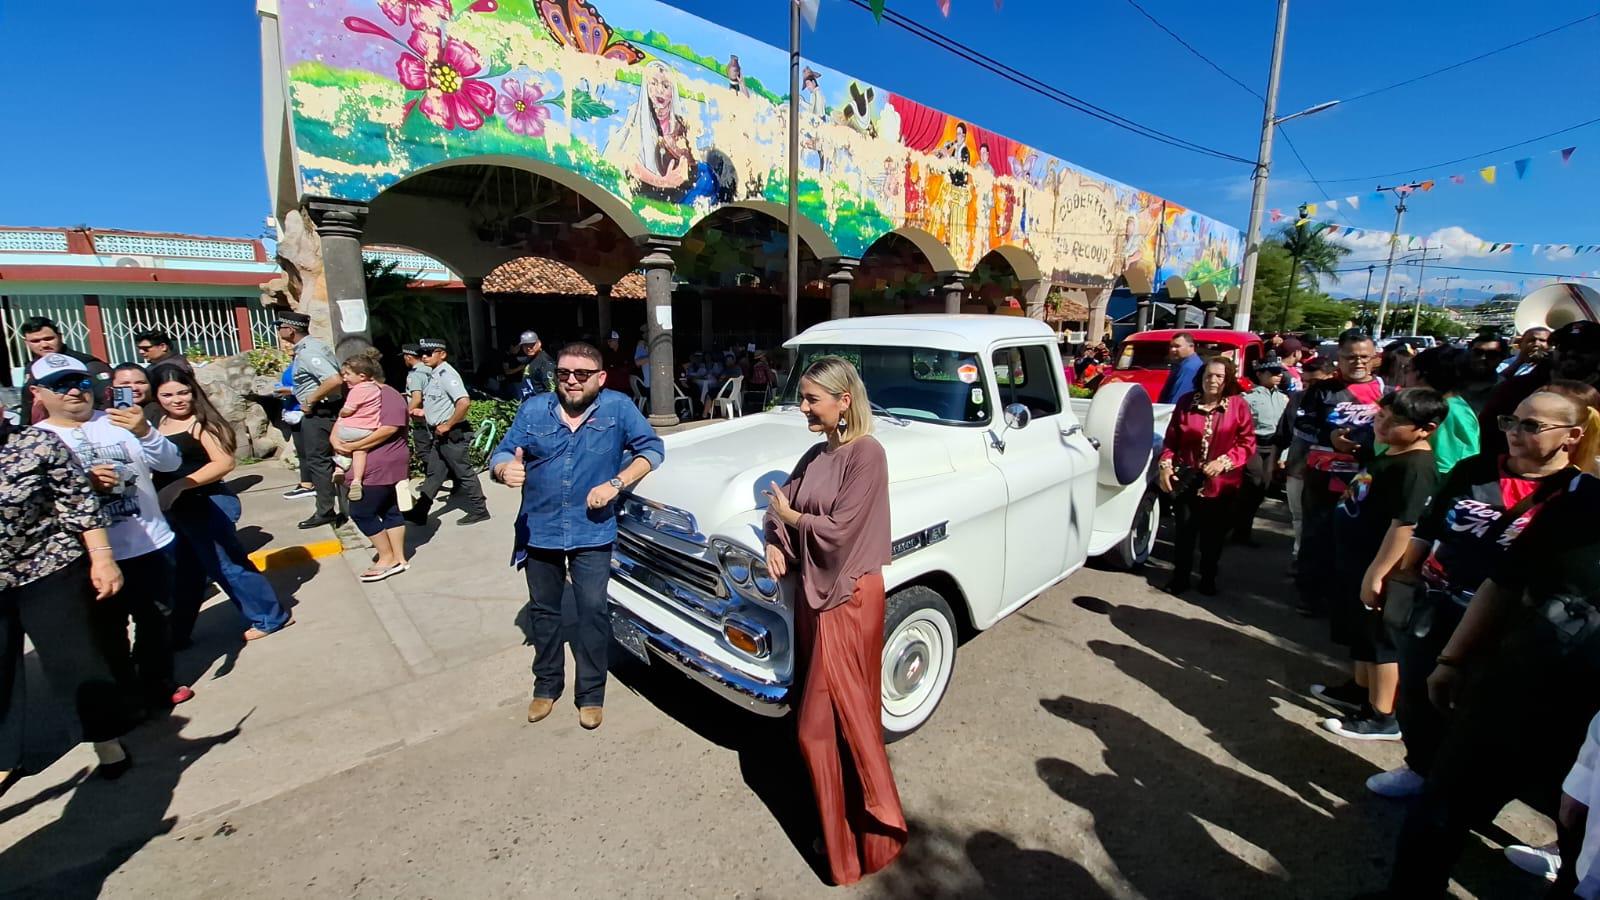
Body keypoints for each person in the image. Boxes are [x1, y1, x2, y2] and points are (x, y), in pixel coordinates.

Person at [1364, 385, 1600, 801]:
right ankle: (1419, 765)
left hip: (1509, 626)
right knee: (1418, 692)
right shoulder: (1473, 470)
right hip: (1435, 606)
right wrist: (1402, 579)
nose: (1515, 432)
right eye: (1511, 421)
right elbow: (1428, 527)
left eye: (1532, 425)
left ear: (1573, 436)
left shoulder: (1580, 496)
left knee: (1486, 715)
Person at [1377, 465, 1600, 896]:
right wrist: (1452, 659)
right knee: (1442, 805)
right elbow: (1502, 583)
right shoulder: (1581, 502)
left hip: (1586, 717)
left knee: (1579, 841)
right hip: (1518, 681)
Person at [762, 356, 907, 885]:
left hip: (847, 598)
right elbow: (778, 506)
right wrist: (776, 539)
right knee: (827, 721)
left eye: (810, 399)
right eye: (801, 397)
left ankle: (869, 834)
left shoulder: (867, 454)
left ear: (844, 401)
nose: (802, 407)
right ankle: (841, 840)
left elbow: (840, 529)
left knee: (822, 727)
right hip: (812, 597)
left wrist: (792, 519)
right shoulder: (816, 453)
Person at [490, 342, 664, 730]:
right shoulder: (535, 409)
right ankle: (546, 686)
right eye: (564, 373)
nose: (571, 380)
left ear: (599, 378)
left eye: (581, 374)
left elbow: (651, 449)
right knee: (544, 613)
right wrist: (505, 470)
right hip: (540, 530)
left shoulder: (617, 408)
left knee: (592, 612)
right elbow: (503, 452)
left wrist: (616, 483)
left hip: (593, 530)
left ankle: (590, 694)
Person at [30, 353, 191, 716]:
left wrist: (143, 431)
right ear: (38, 393)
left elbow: (170, 463)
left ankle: (157, 683)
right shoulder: (36, 440)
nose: (74, 391)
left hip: (151, 542)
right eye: (60, 385)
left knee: (157, 621)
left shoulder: (120, 421)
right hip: (88, 557)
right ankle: (125, 694)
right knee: (107, 633)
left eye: (81, 382)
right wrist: (81, 485)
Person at [0, 400, 135, 784]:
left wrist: (103, 559)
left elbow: (79, 503)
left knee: (74, 660)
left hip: (47, 567)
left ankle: (105, 738)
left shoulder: (36, 444)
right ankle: (3, 756)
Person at [1316, 388, 1445, 742]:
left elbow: (1405, 525)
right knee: (1360, 633)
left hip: (1377, 565)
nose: (1382, 424)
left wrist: (1378, 572)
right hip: (1354, 560)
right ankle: (1360, 690)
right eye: (1381, 415)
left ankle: (1383, 715)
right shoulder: (1390, 454)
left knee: (1380, 641)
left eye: (1395, 421)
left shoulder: (1417, 468)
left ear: (1426, 428)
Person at [151, 367, 292, 643]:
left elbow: (225, 463)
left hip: (204, 505)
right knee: (185, 571)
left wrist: (181, 485)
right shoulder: (157, 422)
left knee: (227, 566)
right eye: (167, 394)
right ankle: (179, 631)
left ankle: (270, 617)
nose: (177, 399)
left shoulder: (201, 423)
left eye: (183, 392)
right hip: (173, 511)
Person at [1292, 330, 1386, 617]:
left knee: (1354, 539)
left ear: (1374, 359)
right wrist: (1329, 436)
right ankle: (1309, 595)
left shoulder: (1386, 392)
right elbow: (1302, 428)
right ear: (1338, 359)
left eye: (1363, 357)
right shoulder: (1322, 391)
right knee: (1316, 536)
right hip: (1323, 476)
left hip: (1365, 479)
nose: (1357, 362)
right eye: (1350, 357)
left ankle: (1345, 597)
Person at [1156, 357, 1256, 595]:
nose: (1213, 380)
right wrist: (1165, 465)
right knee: (1184, 532)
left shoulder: (1237, 405)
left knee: (1213, 535)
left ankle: (1208, 577)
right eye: (1208, 375)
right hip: (1187, 478)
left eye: (1219, 376)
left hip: (1221, 483)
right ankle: (1180, 577)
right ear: (1200, 378)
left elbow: (1247, 442)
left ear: (1228, 379)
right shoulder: (1186, 402)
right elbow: (1171, 441)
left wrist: (1224, 462)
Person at [331, 373, 412, 583]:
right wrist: (338, 442)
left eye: (348, 374)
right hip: (366, 462)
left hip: (379, 466)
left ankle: (387, 557)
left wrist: (354, 445)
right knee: (388, 509)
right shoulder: (357, 395)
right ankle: (399, 558)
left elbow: (389, 428)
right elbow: (340, 422)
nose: (344, 379)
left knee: (361, 511)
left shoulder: (389, 396)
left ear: (364, 375)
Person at [1479, 320, 1600, 459]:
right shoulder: (1515, 389)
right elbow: (1488, 433)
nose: (1571, 353)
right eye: (1564, 346)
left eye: (1583, 348)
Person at [410, 339, 490, 526]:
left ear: (442, 354)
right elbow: (440, 405)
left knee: (464, 472)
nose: (424, 356)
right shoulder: (434, 375)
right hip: (439, 435)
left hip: (452, 434)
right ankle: (420, 511)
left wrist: (447, 424)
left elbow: (464, 402)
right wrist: (425, 414)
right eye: (422, 353)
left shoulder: (447, 374)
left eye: (429, 353)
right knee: (435, 473)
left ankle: (480, 510)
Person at [276, 311, 345, 529]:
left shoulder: (309, 351)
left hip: (319, 412)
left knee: (318, 462)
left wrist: (310, 400)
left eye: (280, 327)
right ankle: (337, 507)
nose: (278, 331)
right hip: (323, 410)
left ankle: (325, 511)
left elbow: (334, 379)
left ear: (290, 329)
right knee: (328, 460)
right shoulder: (312, 347)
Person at [1278, 357, 1335, 567]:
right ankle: (1299, 558)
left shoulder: (1340, 401)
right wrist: (1277, 459)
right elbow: (1283, 433)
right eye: (1306, 382)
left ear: (1331, 377)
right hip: (1297, 470)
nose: (1310, 387)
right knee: (1299, 518)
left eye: (1316, 382)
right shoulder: (1297, 399)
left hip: (1331, 474)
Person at [19, 315, 114, 425]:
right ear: (26, 343)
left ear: (60, 337)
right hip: (41, 434)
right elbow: (27, 406)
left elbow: (107, 401)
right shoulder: (31, 368)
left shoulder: (86, 364)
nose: (44, 345)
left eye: (49, 339)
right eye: (36, 341)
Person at [1235, 358, 1290, 545]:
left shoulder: (1283, 398)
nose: (1278, 376)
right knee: (1252, 483)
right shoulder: (1248, 398)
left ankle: (1243, 529)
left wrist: (1283, 455)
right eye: (1272, 372)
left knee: (1262, 488)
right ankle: (1238, 529)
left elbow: (1286, 428)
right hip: (1254, 445)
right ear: (1259, 374)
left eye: (1279, 372)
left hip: (1273, 446)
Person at [1409, 347, 1479, 475]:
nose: (1406, 376)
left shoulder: (1446, 412)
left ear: (1422, 374)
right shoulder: (1454, 405)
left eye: (1409, 370)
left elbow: (1445, 465)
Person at [332, 351, 386, 502]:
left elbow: (348, 409)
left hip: (349, 428)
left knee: (342, 447)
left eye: (347, 374)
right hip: (369, 429)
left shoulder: (356, 390)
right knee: (360, 451)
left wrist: (342, 412)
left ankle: (339, 468)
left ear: (361, 376)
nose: (344, 378)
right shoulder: (376, 388)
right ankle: (357, 480)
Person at [401, 344, 437, 503]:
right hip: (432, 416)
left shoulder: (415, 375)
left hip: (420, 419)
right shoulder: (430, 370)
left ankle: (436, 478)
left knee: (423, 451)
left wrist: (405, 414)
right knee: (437, 449)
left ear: (408, 357)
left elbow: (416, 398)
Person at [1157, 332, 1204, 404]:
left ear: (1191, 346)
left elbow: (1178, 399)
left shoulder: (1189, 368)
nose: (1172, 350)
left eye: (1177, 346)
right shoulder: (1185, 364)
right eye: (1171, 346)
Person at [111, 362, 162, 430]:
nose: (134, 388)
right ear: (112, 386)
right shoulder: (104, 413)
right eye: (125, 383)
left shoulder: (160, 412)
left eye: (140, 383)